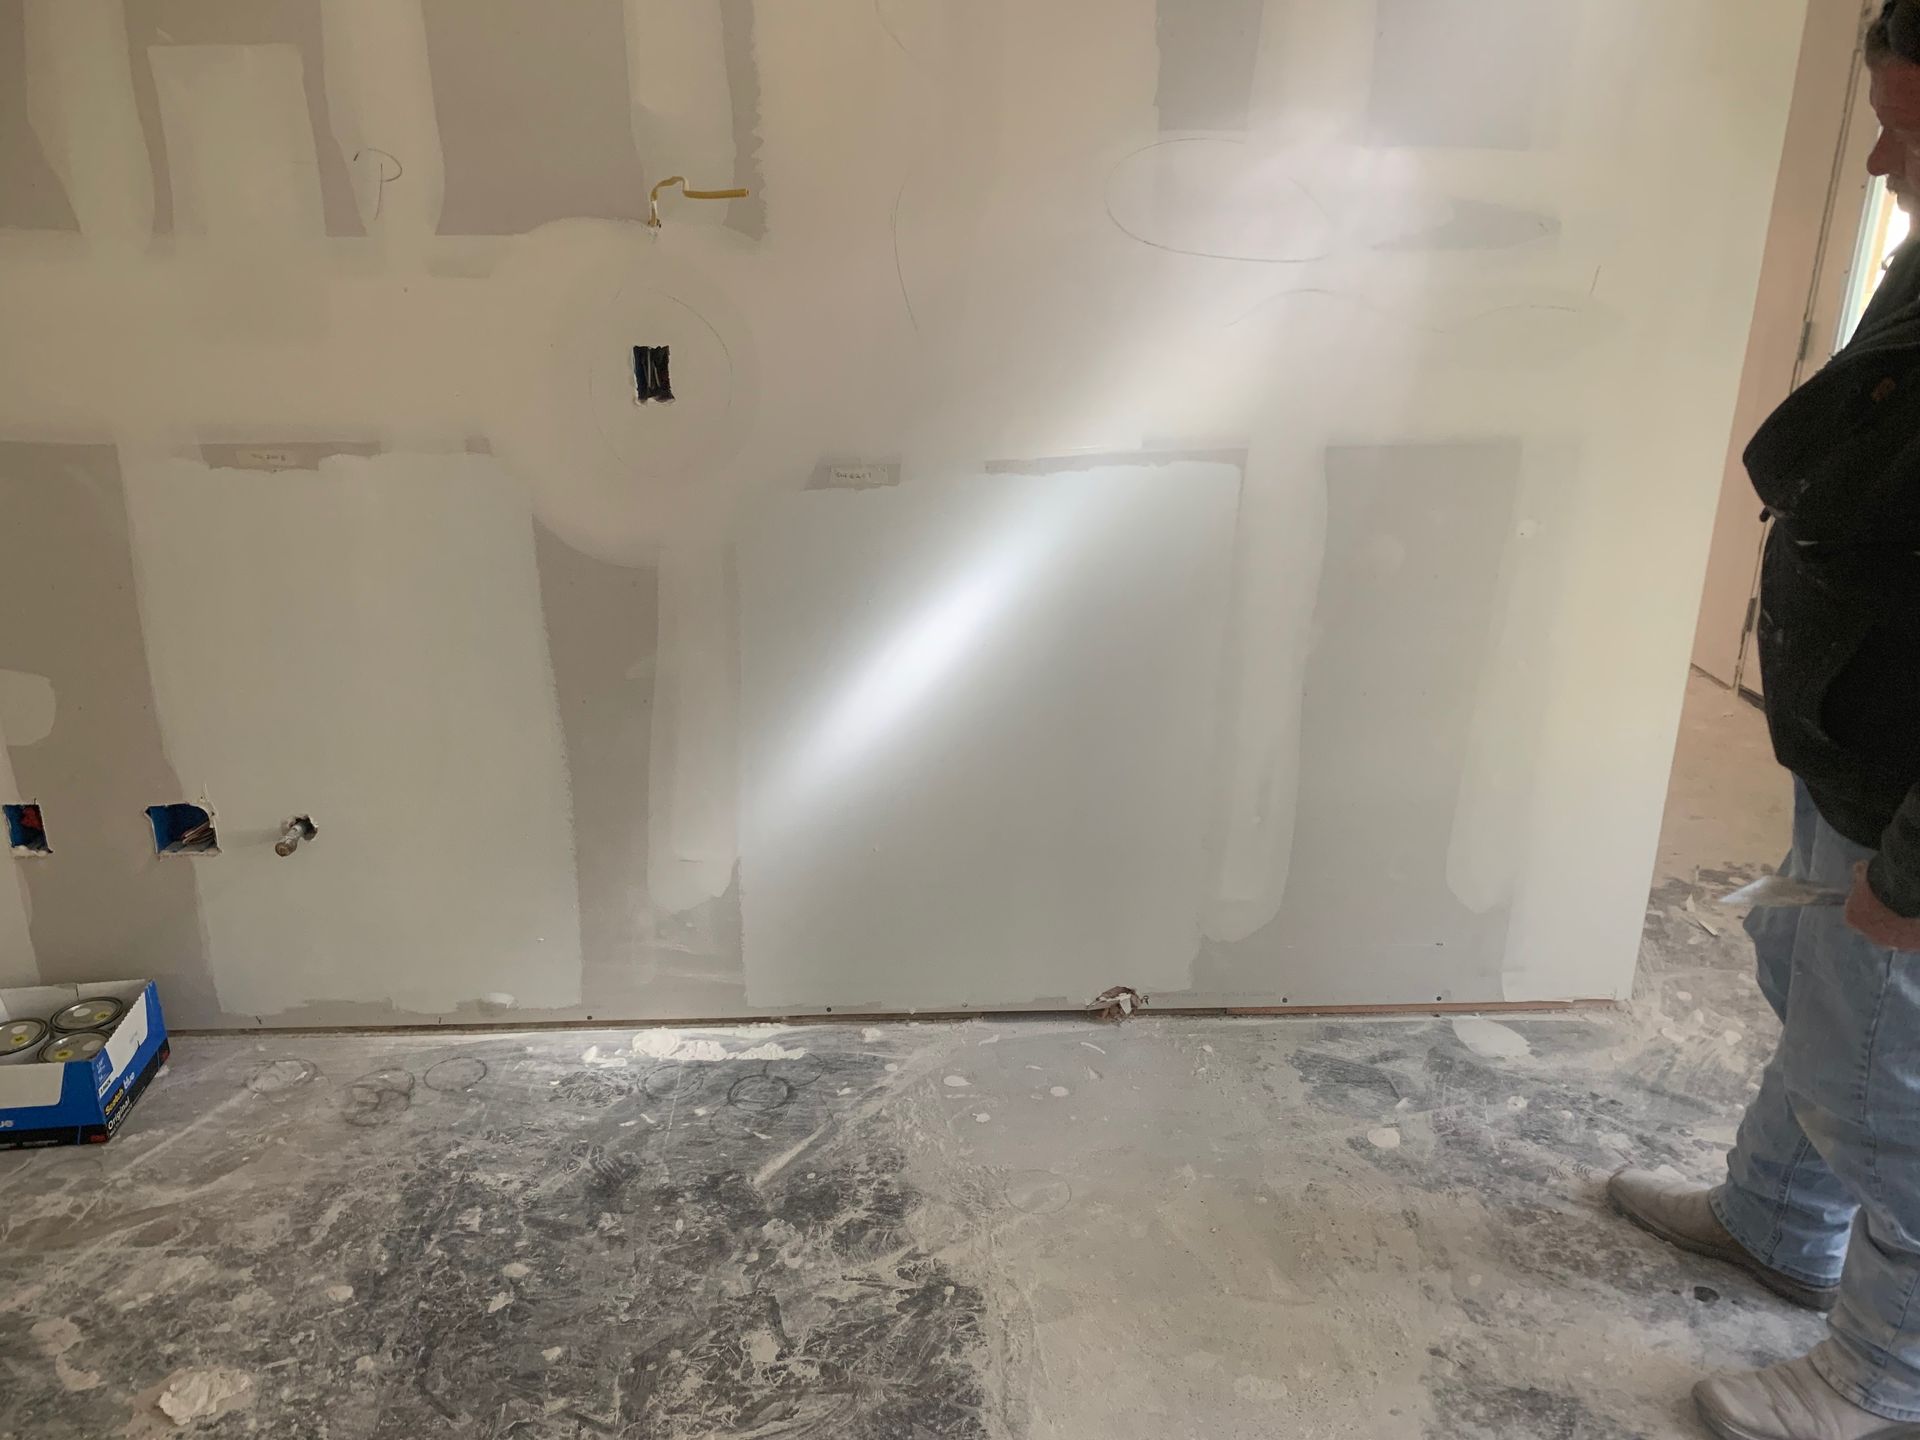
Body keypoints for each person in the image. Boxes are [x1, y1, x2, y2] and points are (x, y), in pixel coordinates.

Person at [1608, 5, 1920, 1436]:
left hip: (1905, 791)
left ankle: (1887, 1371)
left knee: (1885, 1074)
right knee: (1812, 985)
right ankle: (1780, 1217)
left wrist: (1910, 871)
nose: (1879, 163)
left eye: (1909, 134)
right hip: (1856, 735)